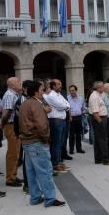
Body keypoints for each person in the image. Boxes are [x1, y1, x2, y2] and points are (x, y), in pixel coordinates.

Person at [19, 80, 66, 208]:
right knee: (45, 171)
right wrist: (46, 138)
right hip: (37, 142)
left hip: (27, 142)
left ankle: (35, 197)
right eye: (41, 90)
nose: (44, 92)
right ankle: (50, 199)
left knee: (32, 172)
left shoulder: (25, 103)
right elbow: (41, 125)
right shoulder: (36, 104)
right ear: (35, 92)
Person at [0, 77, 23, 187]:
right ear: (12, 85)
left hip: (15, 125)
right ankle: (10, 179)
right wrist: (2, 124)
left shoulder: (14, 95)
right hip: (11, 126)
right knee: (13, 153)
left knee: (16, 152)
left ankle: (13, 174)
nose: (20, 83)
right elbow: (7, 112)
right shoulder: (9, 95)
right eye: (18, 82)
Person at [44, 79, 70, 173]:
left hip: (62, 121)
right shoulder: (51, 96)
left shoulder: (59, 95)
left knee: (61, 142)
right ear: (53, 86)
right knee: (56, 143)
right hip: (55, 121)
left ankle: (59, 162)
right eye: (59, 84)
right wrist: (65, 106)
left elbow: (67, 104)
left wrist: (65, 106)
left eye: (61, 84)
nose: (61, 86)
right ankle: (55, 164)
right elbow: (61, 106)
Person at [88, 81, 109, 165]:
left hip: (100, 118)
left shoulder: (97, 95)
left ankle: (98, 158)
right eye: (103, 87)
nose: (104, 88)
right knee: (103, 139)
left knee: (99, 140)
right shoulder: (94, 96)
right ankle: (106, 159)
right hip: (99, 119)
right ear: (99, 88)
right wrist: (101, 123)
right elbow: (95, 113)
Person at [66, 84, 86, 155]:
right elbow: (67, 109)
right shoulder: (67, 98)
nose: (72, 92)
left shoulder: (81, 98)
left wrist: (83, 111)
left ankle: (79, 148)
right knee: (71, 135)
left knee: (79, 134)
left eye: (73, 90)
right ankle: (71, 149)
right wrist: (69, 116)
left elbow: (84, 108)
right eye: (70, 91)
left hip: (79, 117)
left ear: (76, 90)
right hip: (71, 118)